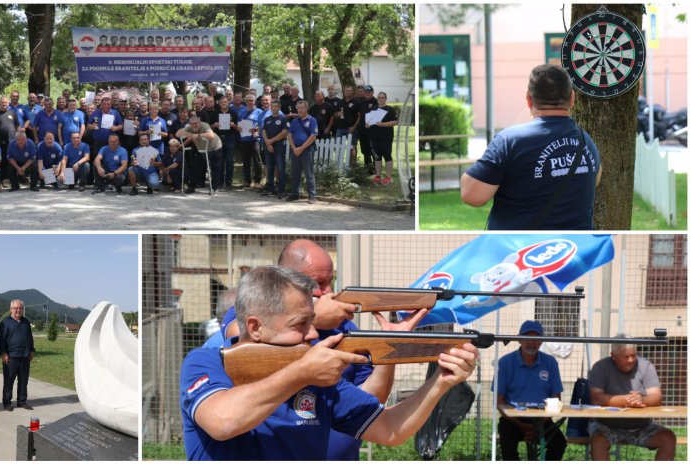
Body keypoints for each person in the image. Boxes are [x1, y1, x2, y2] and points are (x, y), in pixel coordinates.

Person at [180, 265, 478, 460]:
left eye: (313, 321)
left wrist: (440, 382)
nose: (312, 333)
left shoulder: (317, 376)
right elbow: (223, 422)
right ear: (255, 327)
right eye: (300, 324)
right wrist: (301, 372)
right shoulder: (206, 362)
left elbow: (390, 429)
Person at [461, 64, 602, 230]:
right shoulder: (586, 142)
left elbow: (471, 195)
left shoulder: (509, 141)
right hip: (573, 250)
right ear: (572, 99)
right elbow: (595, 180)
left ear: (528, 99)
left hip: (524, 251)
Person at [587, 335, 676, 460]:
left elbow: (656, 396)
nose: (630, 360)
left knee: (668, 438)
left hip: (642, 426)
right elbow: (596, 398)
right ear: (613, 356)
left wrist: (642, 399)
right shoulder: (600, 367)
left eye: (633, 355)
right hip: (606, 426)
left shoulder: (646, 366)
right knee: (598, 442)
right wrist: (628, 400)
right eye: (626, 356)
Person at [495, 320, 566, 460]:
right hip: (512, 420)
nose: (531, 342)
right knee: (508, 446)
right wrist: (519, 424)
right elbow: (499, 401)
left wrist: (540, 424)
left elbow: (556, 397)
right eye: (527, 338)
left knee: (559, 443)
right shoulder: (505, 363)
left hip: (541, 419)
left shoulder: (550, 362)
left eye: (536, 338)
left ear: (541, 341)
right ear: (519, 340)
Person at [0, 299, 35, 411]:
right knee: (9, 381)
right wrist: (4, 353)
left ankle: (21, 401)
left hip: (24, 357)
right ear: (11, 309)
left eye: (20, 308)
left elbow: (30, 338)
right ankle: (7, 402)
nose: (18, 310)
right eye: (16, 308)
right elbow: (1, 340)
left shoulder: (26, 322)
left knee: (23, 381)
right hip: (11, 357)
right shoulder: (5, 322)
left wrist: (31, 350)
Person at [176, 115, 223, 194]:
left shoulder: (205, 125)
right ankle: (192, 186)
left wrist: (199, 135)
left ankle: (213, 188)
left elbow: (211, 135)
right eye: (192, 124)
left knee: (215, 168)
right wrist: (190, 135)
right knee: (196, 167)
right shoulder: (190, 127)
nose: (194, 125)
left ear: (200, 122)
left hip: (215, 147)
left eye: (196, 123)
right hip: (201, 149)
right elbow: (178, 133)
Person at [287, 100, 318, 204]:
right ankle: (295, 194)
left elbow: (313, 136)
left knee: (309, 173)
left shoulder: (312, 120)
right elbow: (289, 135)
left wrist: (301, 148)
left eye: (302, 108)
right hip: (295, 150)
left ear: (306, 108)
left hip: (307, 150)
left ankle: (312, 196)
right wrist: (294, 148)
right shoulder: (294, 121)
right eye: (298, 108)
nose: (300, 110)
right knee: (295, 172)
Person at [367, 91, 399, 186]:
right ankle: (378, 176)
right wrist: (367, 124)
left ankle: (388, 177)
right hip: (374, 137)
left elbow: (395, 122)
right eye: (379, 97)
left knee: (387, 156)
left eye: (382, 97)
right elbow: (369, 120)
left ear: (385, 99)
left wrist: (383, 124)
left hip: (386, 137)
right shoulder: (373, 108)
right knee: (377, 157)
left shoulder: (390, 109)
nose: (380, 99)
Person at [260, 100, 289, 199]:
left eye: (276, 106)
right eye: (272, 106)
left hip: (279, 147)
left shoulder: (283, 118)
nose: (274, 108)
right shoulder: (267, 119)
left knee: (280, 168)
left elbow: (284, 132)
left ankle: (281, 190)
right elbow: (263, 131)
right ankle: (270, 189)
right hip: (268, 147)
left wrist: (271, 141)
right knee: (270, 168)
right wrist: (268, 143)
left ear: (279, 107)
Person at [0, 95, 20, 175]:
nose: (4, 104)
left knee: (12, 159)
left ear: (8, 103)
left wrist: (18, 138)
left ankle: (13, 177)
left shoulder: (12, 113)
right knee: (1, 160)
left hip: (11, 141)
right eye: (2, 102)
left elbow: (17, 127)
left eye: (6, 102)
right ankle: (3, 177)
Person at [237, 95, 263, 188]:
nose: (249, 102)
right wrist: (239, 128)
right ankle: (247, 181)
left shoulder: (259, 112)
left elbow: (262, 125)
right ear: (245, 101)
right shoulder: (242, 112)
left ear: (254, 101)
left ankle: (257, 181)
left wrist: (256, 129)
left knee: (257, 161)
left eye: (251, 100)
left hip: (254, 140)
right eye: (248, 101)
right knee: (246, 161)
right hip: (244, 139)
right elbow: (238, 126)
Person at [87, 96, 124, 160]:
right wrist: (92, 126)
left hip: (111, 142)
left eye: (108, 104)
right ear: (101, 104)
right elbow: (88, 126)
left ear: (111, 104)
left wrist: (116, 128)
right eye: (105, 104)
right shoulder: (96, 112)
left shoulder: (115, 113)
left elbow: (121, 125)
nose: (107, 106)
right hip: (98, 142)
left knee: (110, 160)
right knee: (97, 160)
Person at [214, 96, 239, 190]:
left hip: (230, 138)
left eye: (225, 101)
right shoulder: (215, 113)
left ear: (228, 102)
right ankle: (220, 181)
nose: (224, 103)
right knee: (220, 160)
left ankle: (228, 182)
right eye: (222, 102)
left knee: (229, 161)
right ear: (219, 103)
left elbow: (238, 129)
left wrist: (234, 125)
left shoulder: (233, 113)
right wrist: (214, 125)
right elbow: (210, 128)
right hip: (218, 138)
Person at [334, 85, 361, 167]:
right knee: (338, 146)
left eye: (349, 90)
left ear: (352, 92)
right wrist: (337, 114)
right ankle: (339, 165)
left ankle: (351, 165)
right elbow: (335, 114)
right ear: (344, 92)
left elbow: (360, 116)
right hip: (340, 128)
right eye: (346, 90)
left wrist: (354, 127)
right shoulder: (340, 102)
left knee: (352, 147)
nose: (348, 92)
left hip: (351, 129)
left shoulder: (356, 102)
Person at [357, 85, 379, 174]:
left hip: (372, 130)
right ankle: (368, 167)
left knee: (373, 149)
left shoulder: (376, 102)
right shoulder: (362, 103)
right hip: (363, 131)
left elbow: (378, 116)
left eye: (369, 92)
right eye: (366, 93)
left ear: (372, 93)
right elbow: (360, 116)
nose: (367, 94)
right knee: (365, 150)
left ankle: (375, 167)